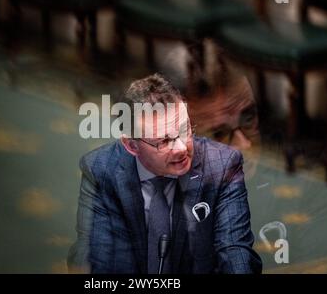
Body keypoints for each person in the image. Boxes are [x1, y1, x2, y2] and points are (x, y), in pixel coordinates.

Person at [68, 74, 262, 274]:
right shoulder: (101, 169)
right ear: (132, 145)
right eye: (164, 141)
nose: (180, 148)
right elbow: (99, 256)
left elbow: (236, 252)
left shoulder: (223, 164)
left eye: (184, 130)